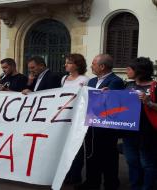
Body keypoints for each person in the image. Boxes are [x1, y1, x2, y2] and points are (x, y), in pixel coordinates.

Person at [76, 54, 125, 190]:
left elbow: (113, 105)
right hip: (91, 125)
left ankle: (111, 184)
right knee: (91, 155)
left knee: (108, 158)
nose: (91, 66)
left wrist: (104, 96)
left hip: (106, 129)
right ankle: (92, 182)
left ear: (102, 66)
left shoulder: (115, 81)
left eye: (93, 64)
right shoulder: (91, 81)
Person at [122, 57, 157, 190]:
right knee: (132, 162)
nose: (127, 70)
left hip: (148, 132)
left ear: (140, 71)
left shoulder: (154, 86)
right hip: (129, 131)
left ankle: (147, 187)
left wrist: (149, 102)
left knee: (147, 163)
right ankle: (135, 186)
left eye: (130, 68)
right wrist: (107, 94)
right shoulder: (128, 85)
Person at [62, 53, 89, 185]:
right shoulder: (64, 79)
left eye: (69, 62)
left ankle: (76, 175)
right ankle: (65, 174)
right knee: (64, 147)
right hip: (64, 117)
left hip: (77, 117)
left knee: (76, 147)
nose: (65, 65)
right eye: (66, 62)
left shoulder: (84, 79)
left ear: (77, 65)